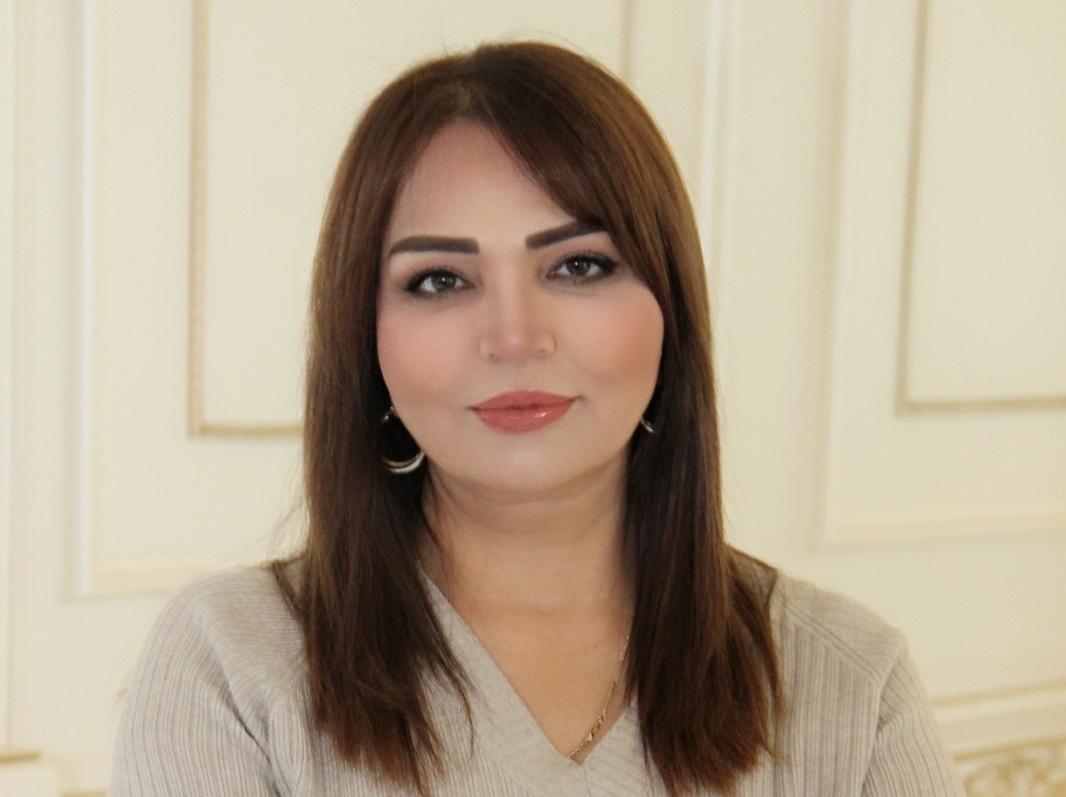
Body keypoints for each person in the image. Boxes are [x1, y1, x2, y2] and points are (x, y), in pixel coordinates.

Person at [110, 41, 965, 796]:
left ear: (670, 308)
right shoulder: (231, 668)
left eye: (579, 265)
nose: (515, 337)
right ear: (364, 338)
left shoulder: (852, 682)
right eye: (440, 280)